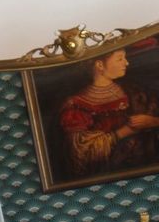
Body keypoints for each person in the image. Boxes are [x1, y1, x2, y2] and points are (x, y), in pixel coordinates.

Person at [56, 40, 159, 177]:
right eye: (120, 59)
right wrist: (124, 131)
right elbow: (81, 154)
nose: (126, 63)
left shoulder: (133, 90)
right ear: (100, 65)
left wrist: (153, 122)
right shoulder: (76, 105)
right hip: (112, 173)